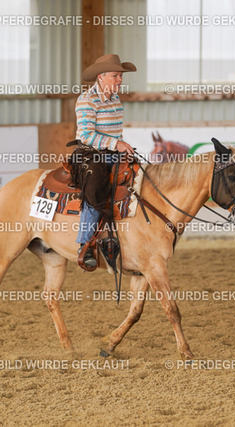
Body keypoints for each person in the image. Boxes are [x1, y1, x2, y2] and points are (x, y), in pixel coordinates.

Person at [74, 54, 136, 269]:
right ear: (101, 77)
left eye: (120, 76)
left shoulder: (115, 99)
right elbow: (86, 135)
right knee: (95, 189)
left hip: (112, 152)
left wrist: (121, 146)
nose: (120, 80)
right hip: (90, 153)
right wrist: (116, 144)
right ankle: (85, 245)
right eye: (115, 75)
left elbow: (115, 133)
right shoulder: (87, 100)